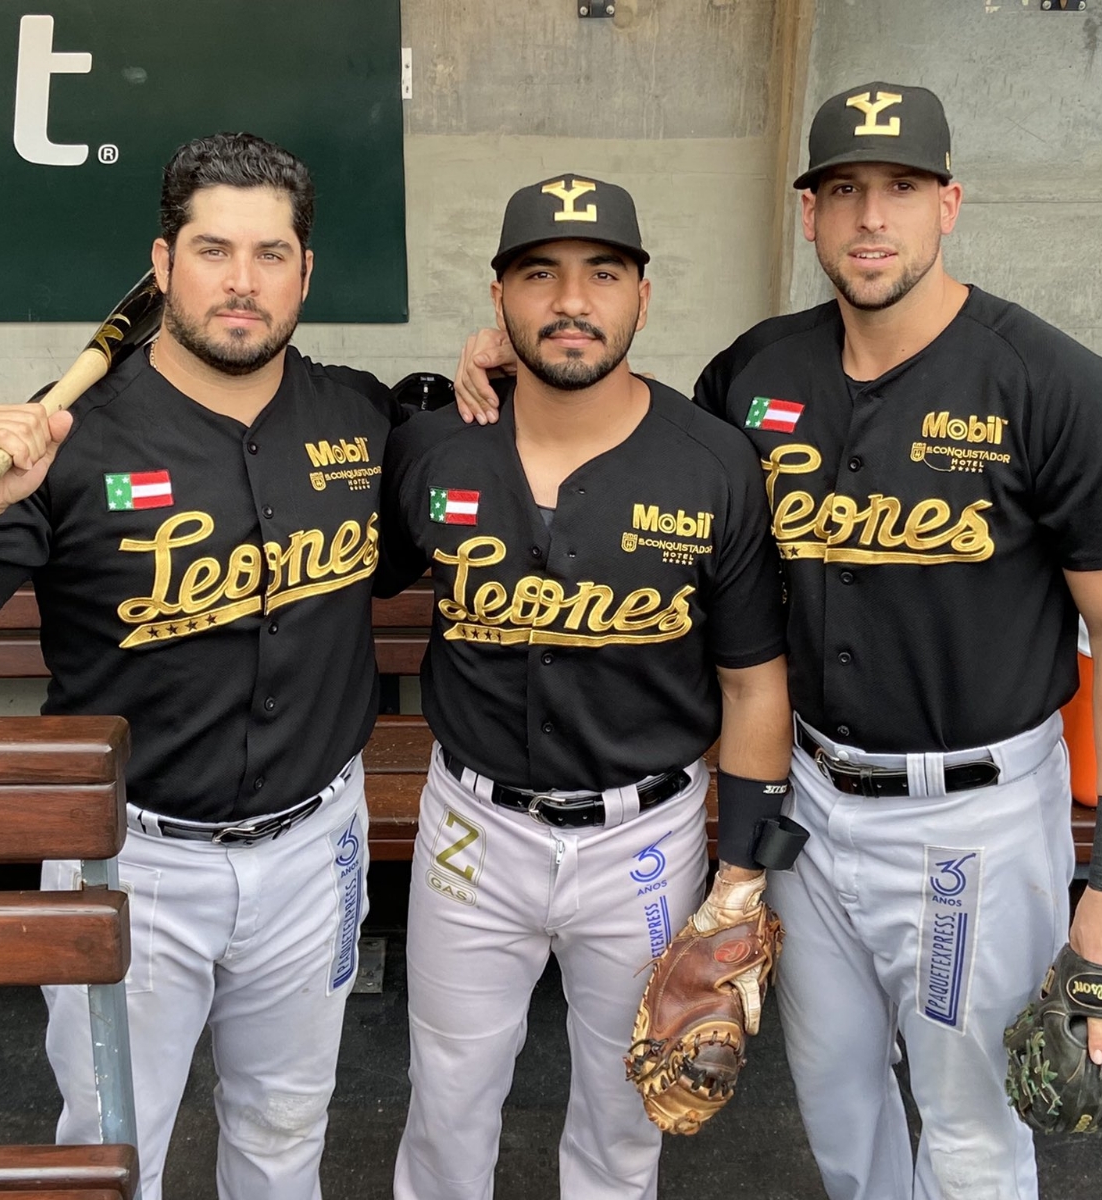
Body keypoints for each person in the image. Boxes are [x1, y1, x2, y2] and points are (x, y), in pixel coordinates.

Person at [452, 84, 1102, 1200]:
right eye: (844, 191)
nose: (871, 218)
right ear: (809, 216)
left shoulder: (1053, 386)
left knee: (972, 1121)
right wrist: (522, 365)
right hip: (806, 807)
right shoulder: (757, 374)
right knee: (835, 1101)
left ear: (949, 204)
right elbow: (647, 448)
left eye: (900, 188)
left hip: (970, 815)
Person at [0, 132, 395, 1200]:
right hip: (133, 859)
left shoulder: (360, 416)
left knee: (286, 1139)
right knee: (111, 1153)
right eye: (211, 250)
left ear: (305, 274)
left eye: (270, 254)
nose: (241, 282)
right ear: (160, 267)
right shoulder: (70, 436)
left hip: (312, 848)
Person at [379, 174, 794, 1200]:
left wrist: (740, 877)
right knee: (448, 1098)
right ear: (500, 300)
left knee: (626, 1114)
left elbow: (752, 685)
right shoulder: (435, 448)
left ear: (641, 299)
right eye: (540, 275)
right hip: (473, 827)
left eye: (601, 273)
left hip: (642, 837)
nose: (571, 301)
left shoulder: (712, 462)